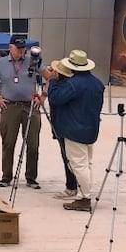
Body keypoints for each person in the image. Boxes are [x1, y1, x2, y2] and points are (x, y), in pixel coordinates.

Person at [43, 50, 105, 212]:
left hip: (74, 129)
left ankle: (85, 197)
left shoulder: (73, 84)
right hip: (90, 128)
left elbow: (55, 98)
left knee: (78, 165)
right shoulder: (97, 83)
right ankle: (84, 192)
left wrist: (54, 80)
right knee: (86, 163)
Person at [0, 36, 43, 189]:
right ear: (10, 48)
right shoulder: (1, 63)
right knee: (8, 142)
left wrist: (42, 97)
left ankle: (31, 177)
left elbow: (50, 79)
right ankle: (6, 176)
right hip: (10, 107)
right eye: (18, 48)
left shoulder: (33, 61)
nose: (21, 51)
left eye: (23, 48)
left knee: (33, 143)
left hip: (30, 106)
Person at [46, 60, 81, 200]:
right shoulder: (66, 85)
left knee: (70, 158)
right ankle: (74, 184)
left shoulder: (64, 87)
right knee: (68, 157)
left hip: (65, 126)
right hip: (61, 125)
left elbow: (54, 99)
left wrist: (52, 81)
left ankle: (72, 186)